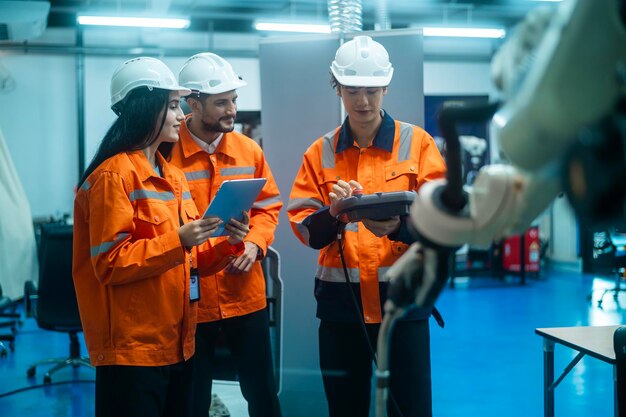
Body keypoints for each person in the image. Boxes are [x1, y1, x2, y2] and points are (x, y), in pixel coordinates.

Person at [72, 56, 250, 417]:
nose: (181, 116)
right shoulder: (113, 177)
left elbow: (190, 261)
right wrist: (179, 240)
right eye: (172, 106)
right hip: (133, 351)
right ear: (145, 109)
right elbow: (110, 263)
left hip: (178, 344)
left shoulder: (172, 177)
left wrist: (228, 242)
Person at [287, 36, 447, 417]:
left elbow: (444, 221)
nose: (362, 101)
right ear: (337, 88)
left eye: (372, 91)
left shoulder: (418, 144)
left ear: (386, 87)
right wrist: (335, 212)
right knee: (346, 409)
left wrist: (398, 227)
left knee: (410, 409)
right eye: (352, 90)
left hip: (403, 305)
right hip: (343, 309)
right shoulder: (319, 152)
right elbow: (306, 230)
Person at [171, 52, 283, 417]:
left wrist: (254, 242)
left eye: (234, 100)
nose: (232, 110)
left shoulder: (248, 149)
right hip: (190, 301)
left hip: (243, 291)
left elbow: (268, 208)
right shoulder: (165, 153)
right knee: (192, 398)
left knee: (263, 392)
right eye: (221, 102)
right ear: (193, 103)